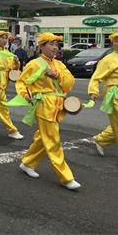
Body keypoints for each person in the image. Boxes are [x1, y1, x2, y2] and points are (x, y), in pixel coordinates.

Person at [16, 33, 80, 190]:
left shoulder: (59, 65)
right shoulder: (34, 64)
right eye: (50, 44)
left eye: (56, 45)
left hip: (57, 105)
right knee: (52, 140)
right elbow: (22, 82)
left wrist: (57, 75)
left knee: (43, 138)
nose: (55, 47)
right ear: (41, 47)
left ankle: (28, 163)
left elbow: (70, 81)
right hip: (44, 105)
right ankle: (66, 177)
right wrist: (26, 94)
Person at [88, 32, 118, 166]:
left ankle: (101, 139)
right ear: (113, 44)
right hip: (116, 94)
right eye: (117, 41)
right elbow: (96, 77)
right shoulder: (108, 59)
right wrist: (93, 91)